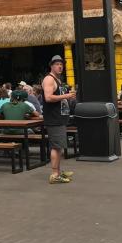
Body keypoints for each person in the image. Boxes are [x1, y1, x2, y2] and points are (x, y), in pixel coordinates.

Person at [42, 56, 77, 184]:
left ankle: (58, 171)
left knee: (59, 146)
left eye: (61, 64)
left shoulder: (57, 79)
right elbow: (48, 97)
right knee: (56, 147)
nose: (60, 66)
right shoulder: (49, 79)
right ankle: (54, 174)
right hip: (54, 119)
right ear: (51, 66)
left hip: (59, 118)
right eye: (57, 64)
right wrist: (66, 96)